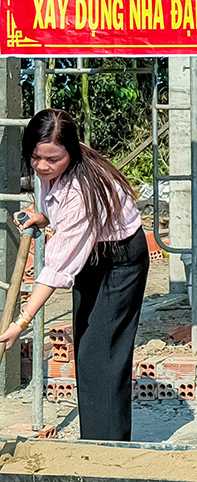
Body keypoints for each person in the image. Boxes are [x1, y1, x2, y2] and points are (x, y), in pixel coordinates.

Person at [0, 109, 148, 441]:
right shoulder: (53, 164)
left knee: (101, 354)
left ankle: (106, 448)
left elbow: (56, 268)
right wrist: (42, 217)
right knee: (87, 349)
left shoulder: (81, 190)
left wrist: (20, 323)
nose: (42, 166)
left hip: (120, 260)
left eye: (52, 159)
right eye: (35, 157)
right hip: (91, 255)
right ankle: (96, 439)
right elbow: (58, 211)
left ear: (71, 152)